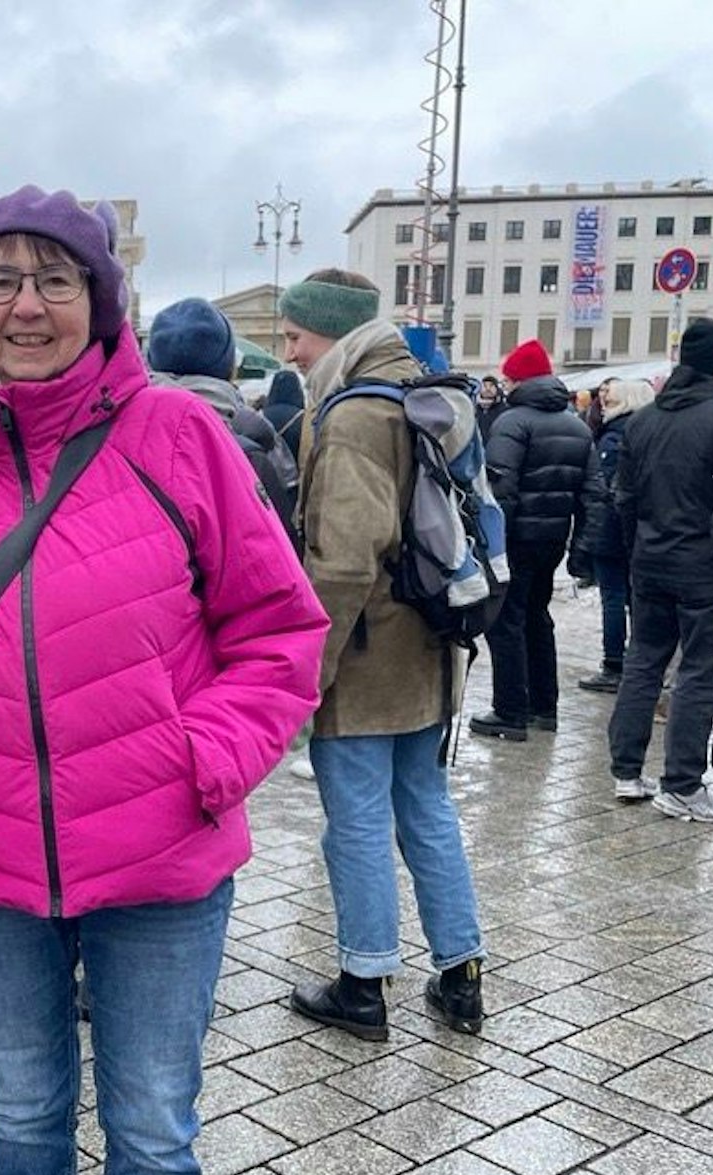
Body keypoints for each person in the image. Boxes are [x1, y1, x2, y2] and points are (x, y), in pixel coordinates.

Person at [0, 185, 328, 1175]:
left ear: (100, 302)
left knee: (151, 1130)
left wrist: (199, 762)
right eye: (0, 280)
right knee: (19, 1119)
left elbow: (279, 632)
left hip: (160, 847)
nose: (27, 306)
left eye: (54, 279)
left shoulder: (176, 434)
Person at [278, 269, 489, 1042]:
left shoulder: (353, 416)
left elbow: (341, 563)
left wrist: (307, 671)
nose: (290, 349)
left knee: (358, 820)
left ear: (332, 331)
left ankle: (363, 982)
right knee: (427, 809)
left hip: (366, 656)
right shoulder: (425, 392)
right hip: (430, 650)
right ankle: (461, 975)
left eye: (297, 333)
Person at [608, 318, 713, 821]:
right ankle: (683, 783)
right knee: (699, 670)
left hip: (650, 559)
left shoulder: (644, 419)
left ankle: (627, 770)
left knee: (643, 659)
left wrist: (639, 549)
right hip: (704, 565)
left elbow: (624, 497)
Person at [469, 339, 592, 741]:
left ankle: (510, 711)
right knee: (538, 618)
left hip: (516, 539)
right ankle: (545, 707)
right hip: (552, 538)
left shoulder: (512, 421)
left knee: (505, 621)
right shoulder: (576, 423)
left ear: (519, 380)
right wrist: (580, 544)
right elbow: (594, 491)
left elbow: (500, 489)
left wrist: (491, 542)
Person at [145, 297, 297, 535]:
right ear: (228, 368)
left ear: (152, 361)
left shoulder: (113, 437)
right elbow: (283, 546)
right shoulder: (257, 441)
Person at [572, 377, 654, 694]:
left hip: (611, 530)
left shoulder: (614, 436)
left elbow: (603, 488)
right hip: (637, 530)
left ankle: (613, 664)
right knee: (632, 597)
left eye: (611, 396)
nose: (604, 401)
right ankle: (635, 661)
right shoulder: (646, 431)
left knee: (614, 597)